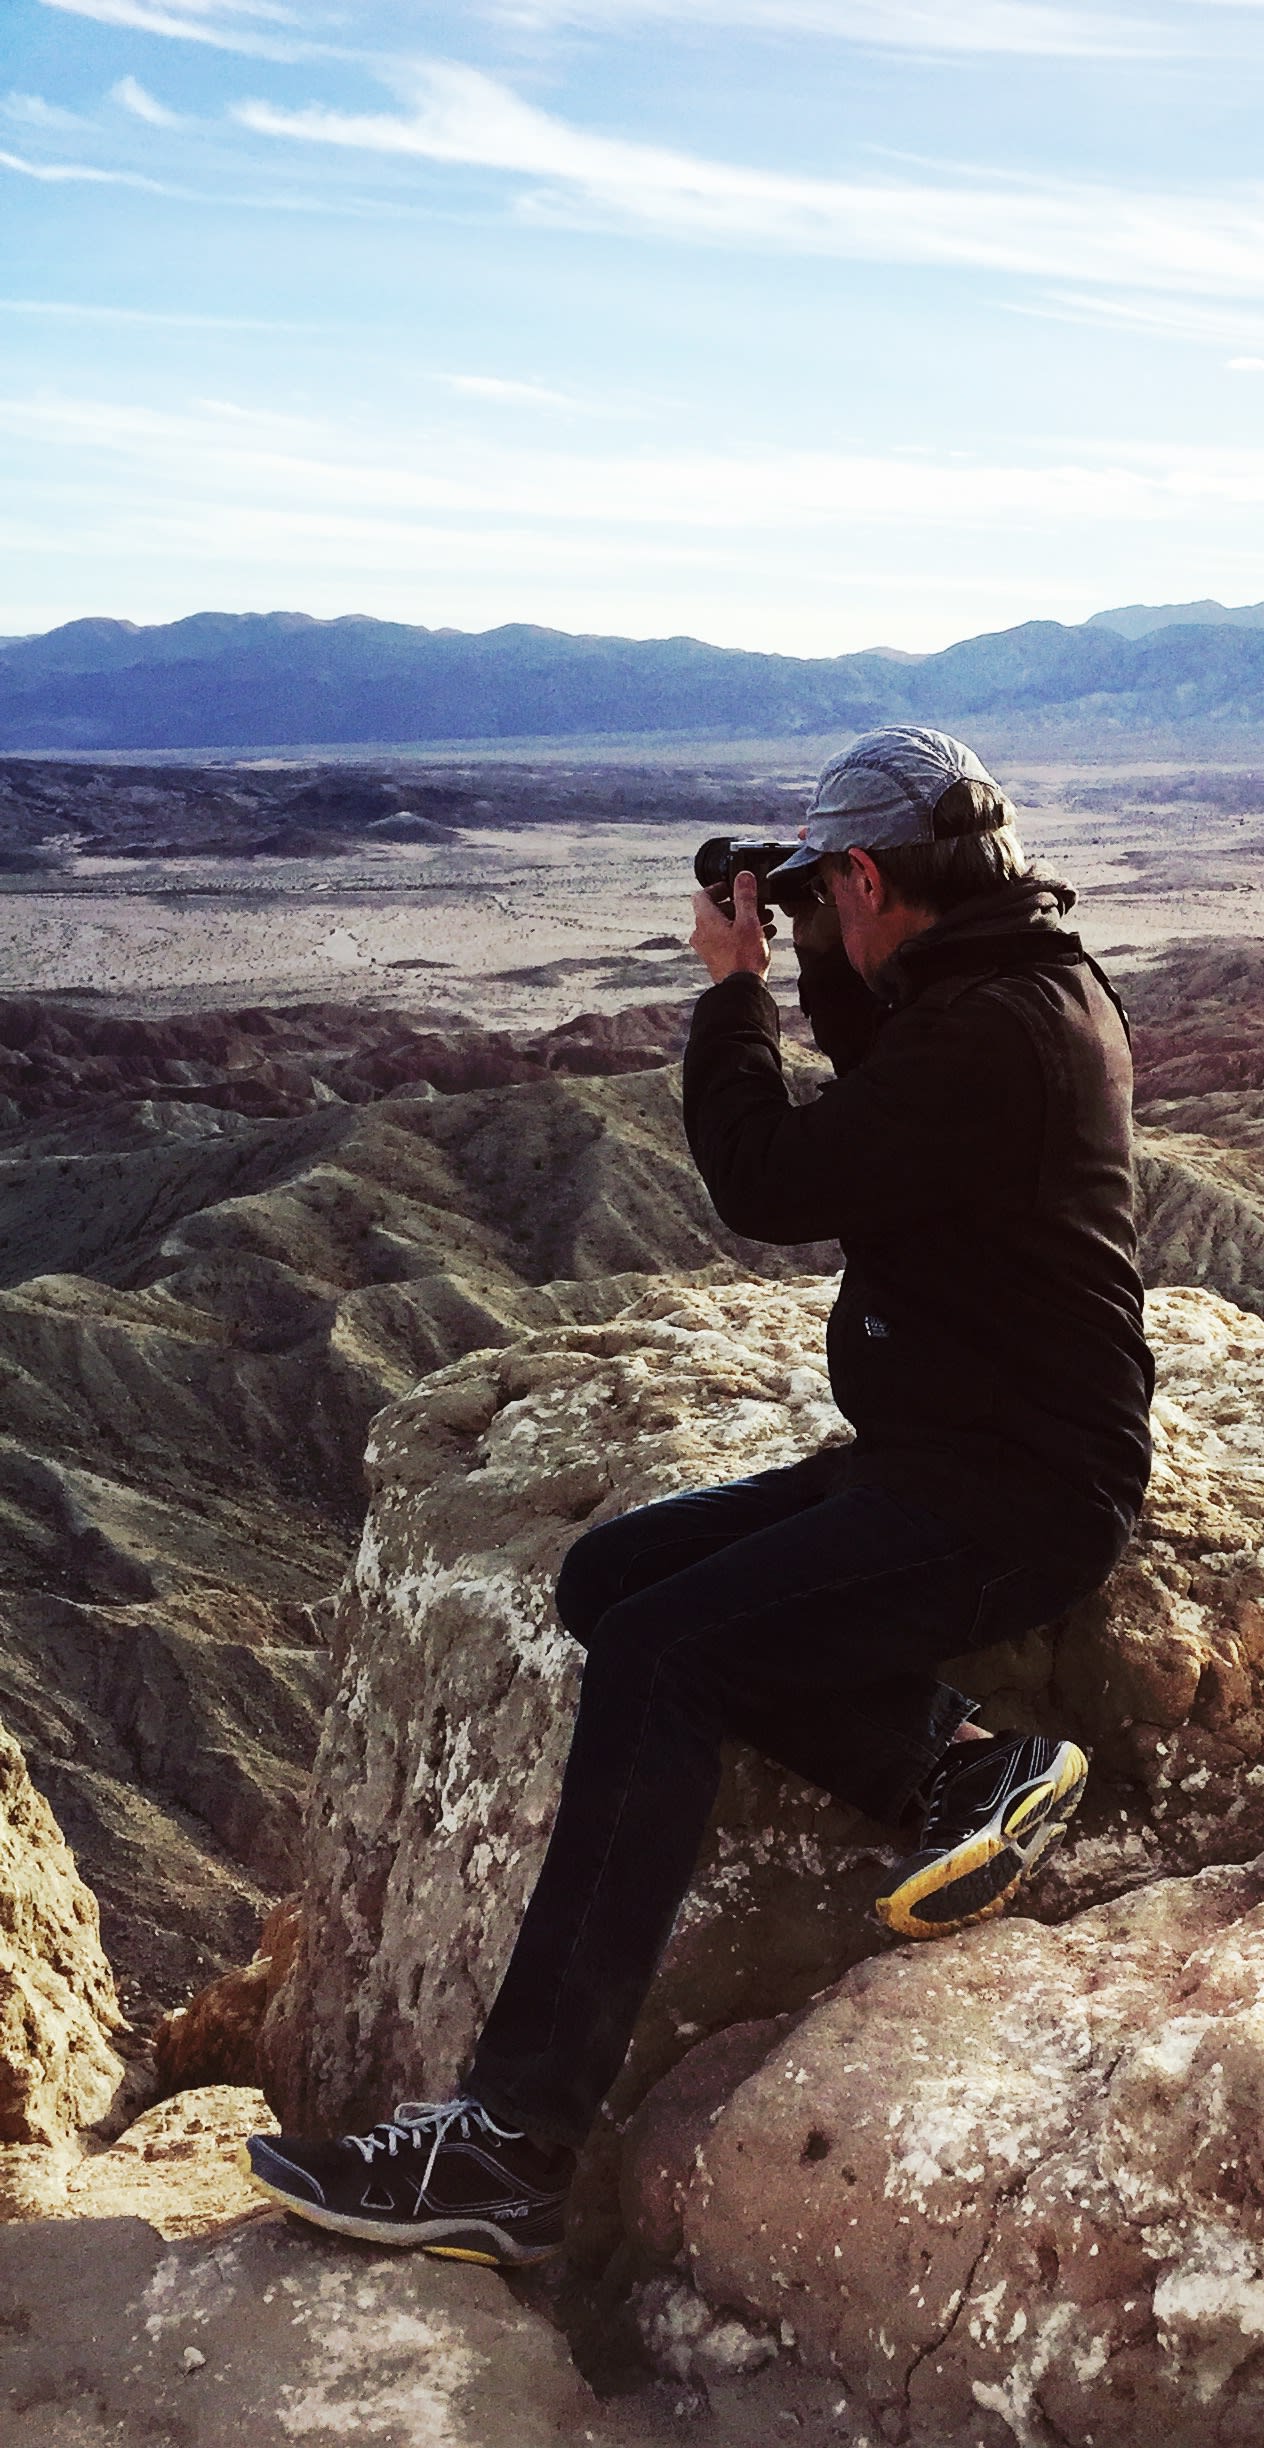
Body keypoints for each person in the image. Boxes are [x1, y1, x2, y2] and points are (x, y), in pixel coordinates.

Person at [247, 726, 1152, 2267]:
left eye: (826, 892)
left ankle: (511, 2147)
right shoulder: (1010, 988)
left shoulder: (1000, 1028)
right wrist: (813, 943)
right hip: (952, 1454)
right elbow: (878, 1082)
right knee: (613, 1582)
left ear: (872, 874)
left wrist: (733, 988)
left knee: (671, 1654)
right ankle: (963, 1766)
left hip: (1015, 1490)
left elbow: (771, 1182)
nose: (810, 921)